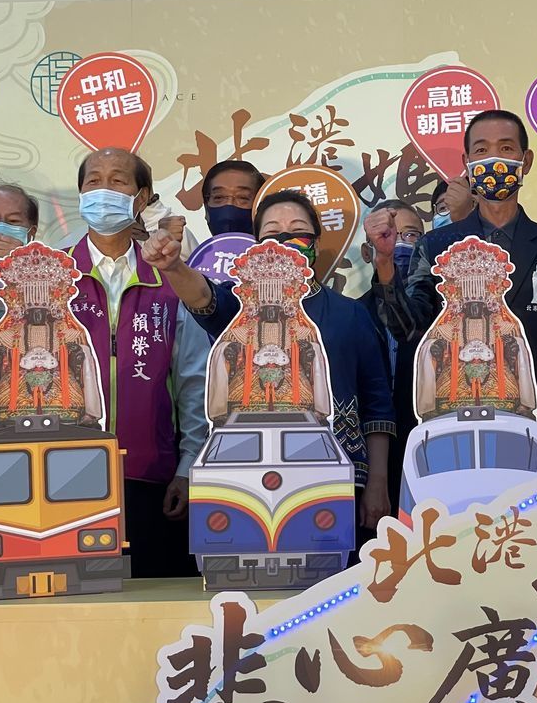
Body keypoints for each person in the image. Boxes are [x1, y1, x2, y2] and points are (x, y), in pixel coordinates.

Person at [0, 148, 211, 577]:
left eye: (117, 181)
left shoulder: (170, 279)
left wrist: (188, 467)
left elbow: (194, 383)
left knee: (151, 598)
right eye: (93, 181)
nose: (103, 190)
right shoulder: (49, 274)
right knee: (77, 599)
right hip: (62, 477)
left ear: (141, 197)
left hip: (148, 474)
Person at [144, 189, 395, 535]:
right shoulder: (237, 305)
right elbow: (202, 296)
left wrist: (378, 481)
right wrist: (173, 267)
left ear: (316, 241)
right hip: (247, 474)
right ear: (257, 245)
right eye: (273, 233)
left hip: (335, 474)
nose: (285, 240)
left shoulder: (350, 314)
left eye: (298, 231)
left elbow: (377, 403)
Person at [370, 110, 537, 472]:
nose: (493, 159)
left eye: (506, 148)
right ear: (467, 163)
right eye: (481, 150)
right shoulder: (437, 245)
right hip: (452, 437)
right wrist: (385, 264)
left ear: (526, 161)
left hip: (535, 434)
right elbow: (409, 328)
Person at [360, 199, 426, 511]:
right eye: (388, 235)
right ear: (366, 252)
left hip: (427, 450)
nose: (399, 243)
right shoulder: (352, 315)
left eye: (410, 235)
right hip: (369, 456)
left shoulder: (442, 315)